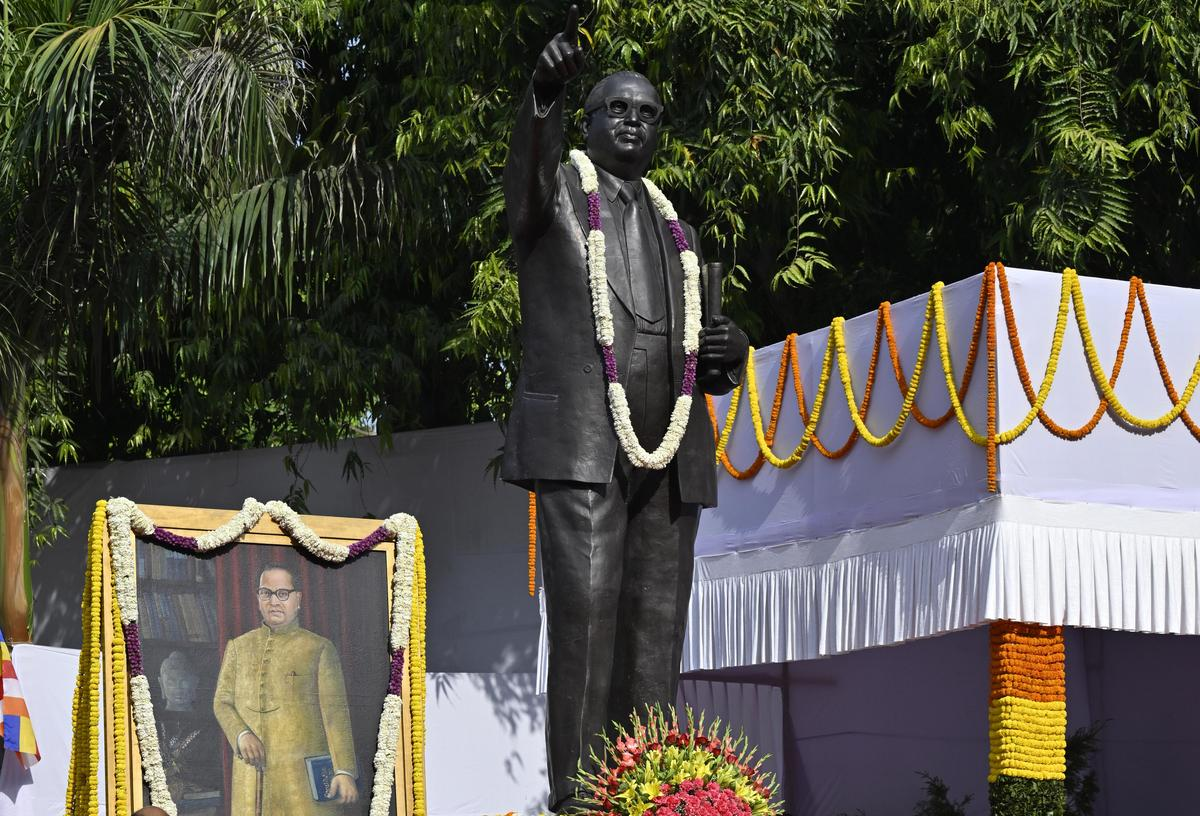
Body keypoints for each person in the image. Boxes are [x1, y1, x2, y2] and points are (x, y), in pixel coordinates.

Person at [501, 6, 749, 810]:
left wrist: (727, 355)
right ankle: (578, 799)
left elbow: (698, 347)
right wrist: (542, 91)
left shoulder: (680, 229)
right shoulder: (556, 200)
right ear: (591, 119)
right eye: (618, 108)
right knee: (587, 618)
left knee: (655, 633)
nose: (634, 123)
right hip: (581, 439)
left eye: (648, 114)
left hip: (670, 450)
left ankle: (645, 792)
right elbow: (526, 174)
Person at [212, 564, 358, 813]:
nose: (274, 602)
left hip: (300, 781)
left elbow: (335, 715)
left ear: (297, 599)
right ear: (258, 598)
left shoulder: (319, 648)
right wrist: (241, 734)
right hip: (250, 780)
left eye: (282, 593)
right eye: (266, 593)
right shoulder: (238, 646)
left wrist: (344, 770)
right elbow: (221, 702)